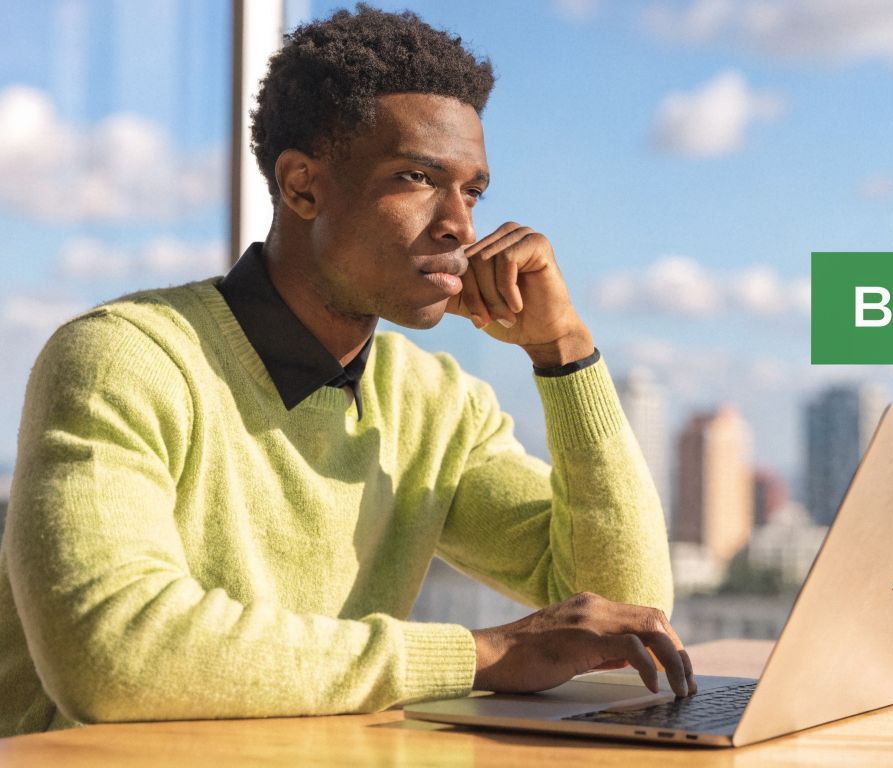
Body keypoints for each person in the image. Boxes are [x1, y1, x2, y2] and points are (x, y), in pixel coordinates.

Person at [0, 4, 693, 737]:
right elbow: (113, 656)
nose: (460, 224)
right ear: (302, 186)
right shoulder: (122, 359)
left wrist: (566, 355)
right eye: (418, 178)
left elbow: (624, 617)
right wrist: (481, 655)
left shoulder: (437, 405)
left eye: (473, 190)